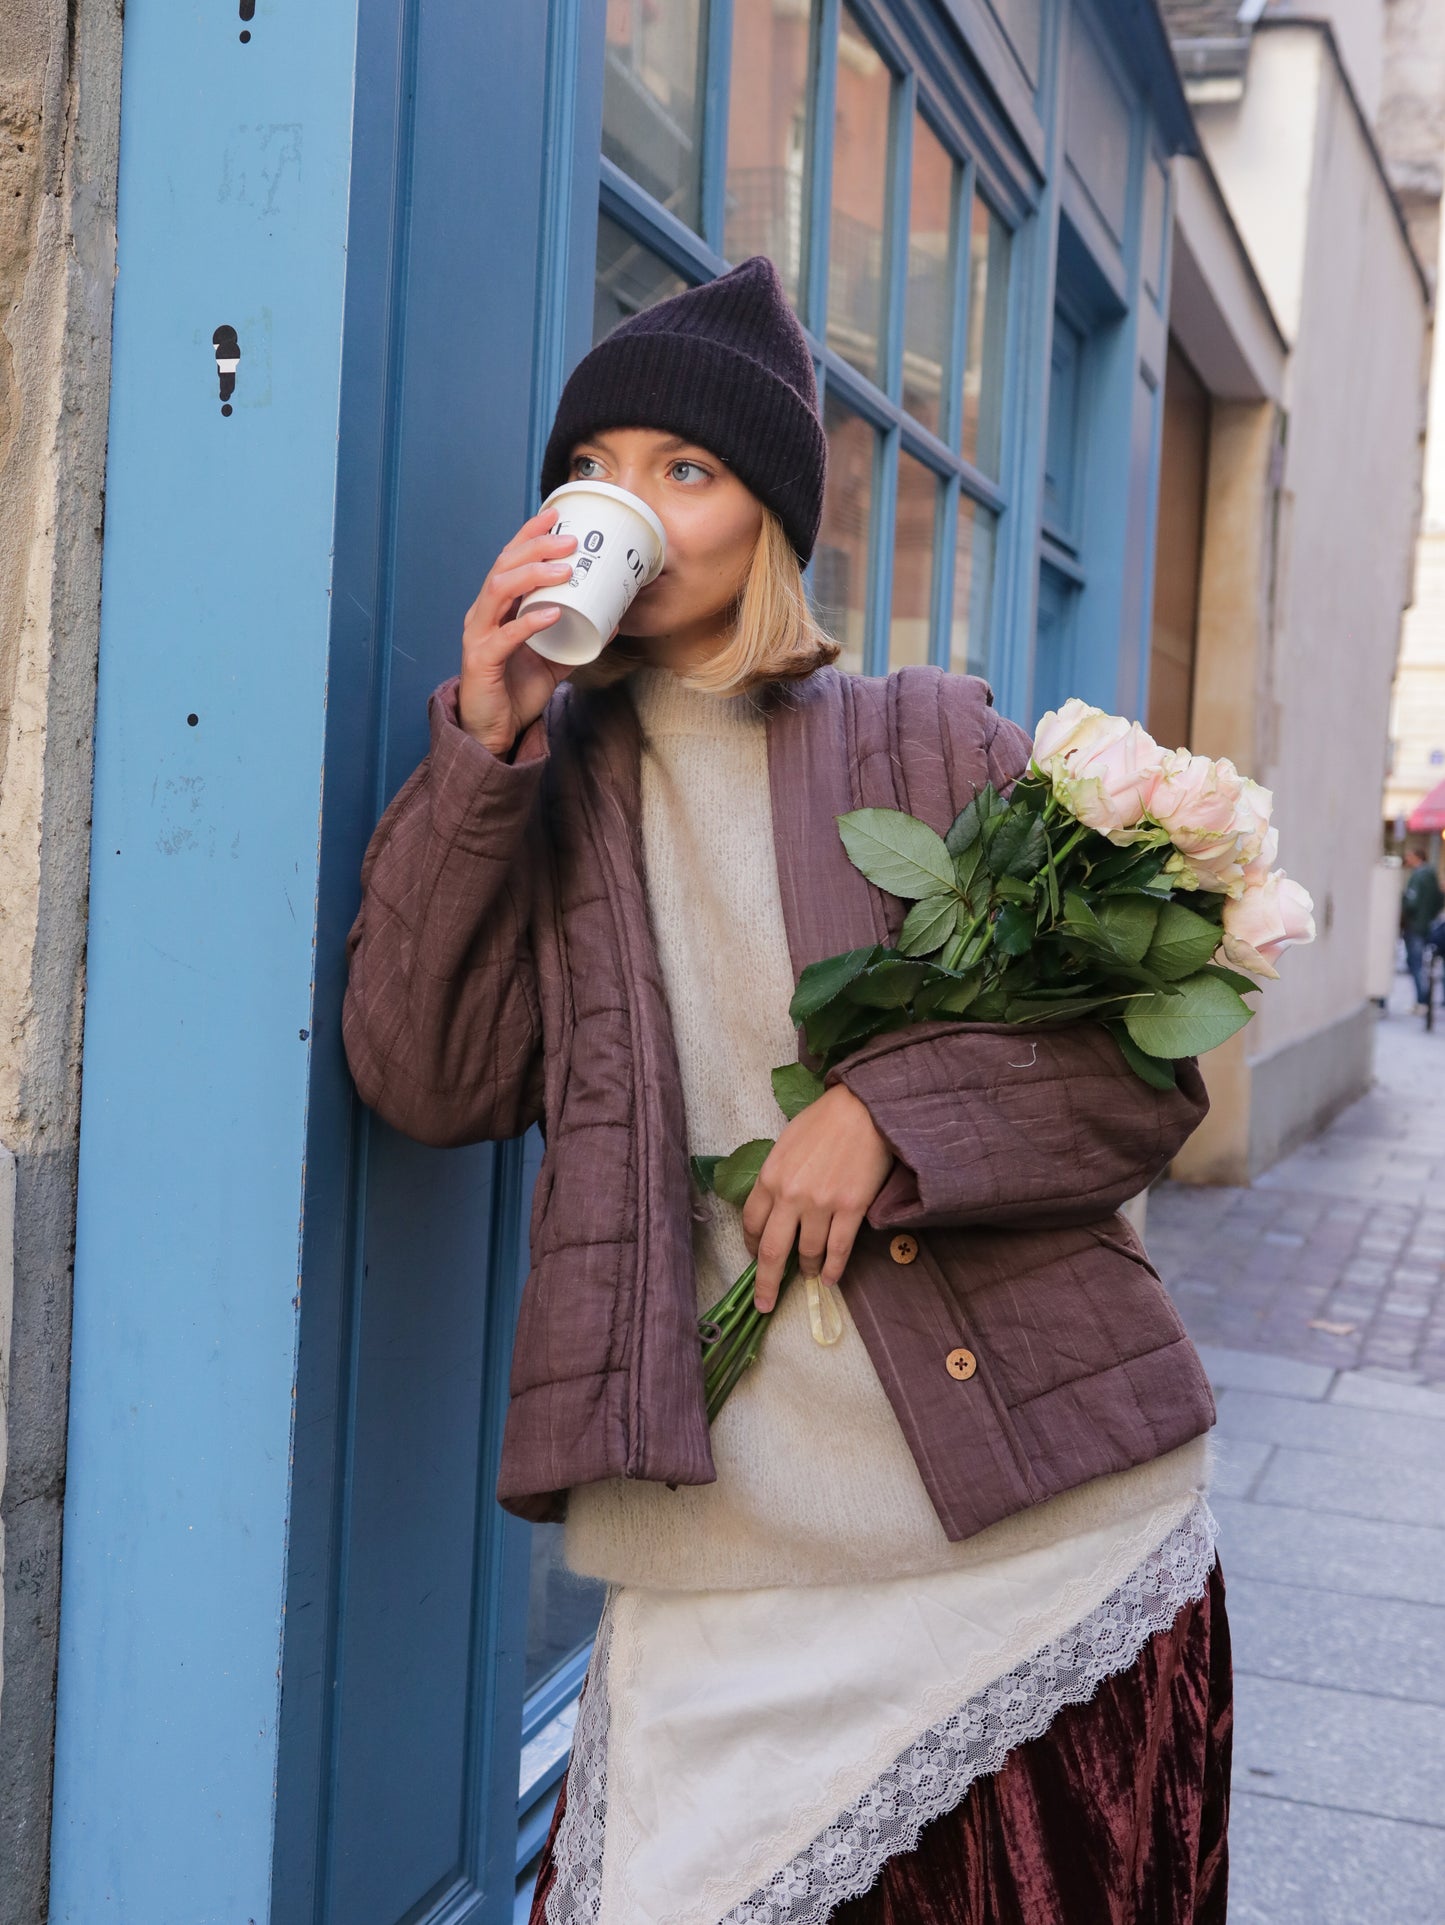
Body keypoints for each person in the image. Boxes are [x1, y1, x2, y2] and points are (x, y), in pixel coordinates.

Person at [343, 258, 1231, 1925]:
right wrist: (484, 733)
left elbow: (1144, 1074)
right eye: (591, 468)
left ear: (769, 518)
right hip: (721, 1559)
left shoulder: (929, 743)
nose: (628, 505)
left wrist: (891, 1114)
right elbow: (422, 1071)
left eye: (683, 469)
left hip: (1021, 1536)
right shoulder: (535, 792)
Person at [1401, 848, 1445, 1011]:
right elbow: (1440, 900)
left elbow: (1411, 903)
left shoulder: (1418, 876)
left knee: (1416, 963)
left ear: (1417, 857)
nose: (1407, 859)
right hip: (1427, 925)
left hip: (1415, 925)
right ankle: (1424, 1000)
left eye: (1409, 856)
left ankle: (1422, 1001)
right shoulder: (1432, 875)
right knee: (1422, 964)